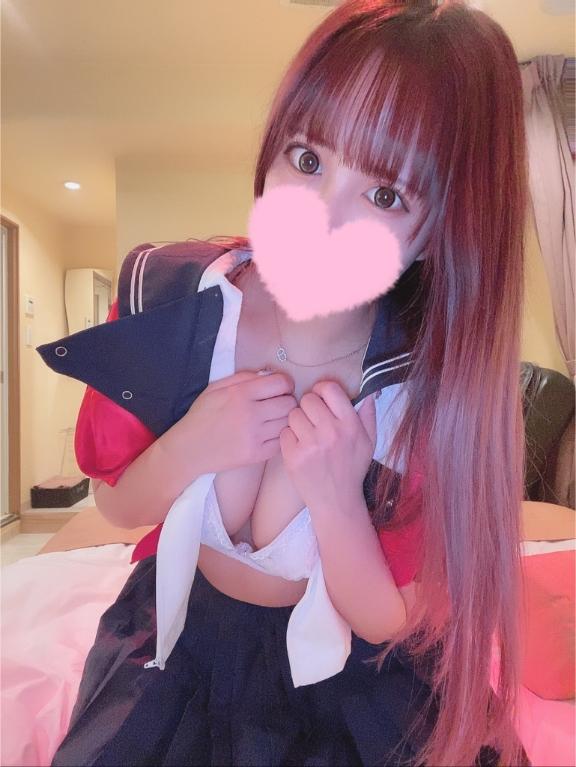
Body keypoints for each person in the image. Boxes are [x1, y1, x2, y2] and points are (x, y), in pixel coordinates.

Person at [39, 0, 531, 764]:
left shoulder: (425, 392)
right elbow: (115, 506)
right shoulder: (176, 305)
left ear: (438, 231)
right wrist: (191, 446)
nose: (321, 216)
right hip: (177, 649)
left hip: (344, 684)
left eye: (385, 195)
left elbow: (388, 619)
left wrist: (337, 498)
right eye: (307, 159)